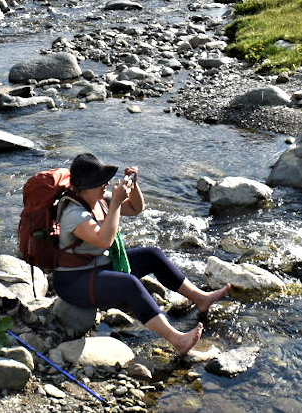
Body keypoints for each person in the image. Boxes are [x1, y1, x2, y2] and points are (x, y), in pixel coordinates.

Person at [52, 152, 231, 355]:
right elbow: (104, 240)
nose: (107, 185)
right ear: (86, 186)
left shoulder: (100, 201)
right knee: (129, 284)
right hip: (74, 282)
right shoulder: (74, 214)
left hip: (96, 267)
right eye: (101, 181)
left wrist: (134, 186)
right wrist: (117, 204)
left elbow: (136, 208)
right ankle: (177, 340)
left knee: (152, 255)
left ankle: (200, 298)